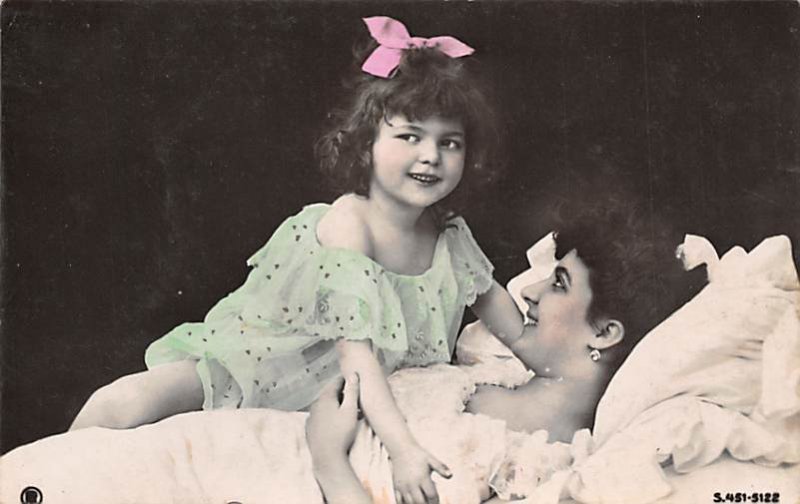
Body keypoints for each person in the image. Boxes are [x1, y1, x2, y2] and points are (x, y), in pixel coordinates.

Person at [70, 16, 523, 504]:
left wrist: (567, 370)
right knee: (124, 403)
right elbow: (357, 359)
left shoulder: (449, 236)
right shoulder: (352, 223)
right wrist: (404, 449)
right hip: (264, 360)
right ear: (366, 145)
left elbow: (504, 316)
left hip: (330, 401)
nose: (431, 156)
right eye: (409, 137)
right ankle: (46, 476)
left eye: (448, 142)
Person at [306, 197, 696, 503]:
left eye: (559, 284)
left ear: (605, 333)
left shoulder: (533, 470)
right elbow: (480, 289)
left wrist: (328, 459)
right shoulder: (500, 371)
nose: (529, 290)